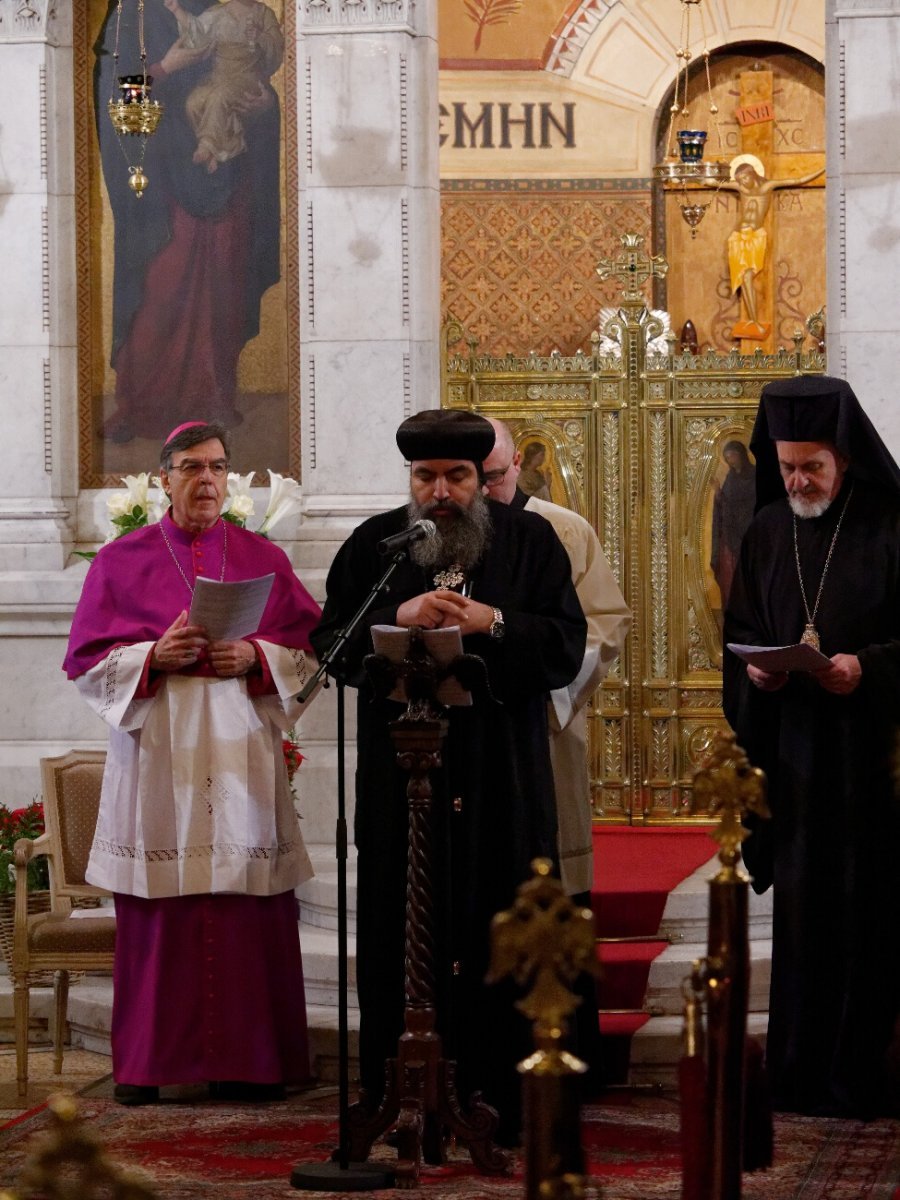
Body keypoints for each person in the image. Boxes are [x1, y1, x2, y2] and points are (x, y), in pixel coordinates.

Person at [311, 409, 586, 1143]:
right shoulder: (377, 546)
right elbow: (331, 646)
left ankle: (502, 1095)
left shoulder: (531, 543)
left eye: (457, 477)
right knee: (405, 933)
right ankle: (402, 1096)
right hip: (404, 786)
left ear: (481, 480)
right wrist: (397, 613)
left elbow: (564, 646)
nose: (441, 492)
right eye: (426, 477)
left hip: (502, 779)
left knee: (498, 924)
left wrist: (490, 622)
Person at [64, 420, 321, 1105]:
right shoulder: (121, 561)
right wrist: (154, 657)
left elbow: (316, 651)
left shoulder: (263, 555)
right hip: (160, 758)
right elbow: (85, 663)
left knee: (245, 904)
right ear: (166, 479)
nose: (206, 479)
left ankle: (252, 1063)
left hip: (239, 751)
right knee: (160, 912)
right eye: (191, 467)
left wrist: (257, 659)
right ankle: (149, 1066)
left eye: (217, 466)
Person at [722, 375, 900, 1118]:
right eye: (788, 465)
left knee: (868, 911)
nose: (798, 480)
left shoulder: (890, 526)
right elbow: (737, 634)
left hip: (874, 758)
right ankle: (797, 1073)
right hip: (794, 754)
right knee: (801, 917)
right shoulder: (767, 530)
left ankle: (861, 1077)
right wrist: (759, 674)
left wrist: (870, 668)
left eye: (812, 468)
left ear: (845, 460)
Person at [481, 417, 630, 1083]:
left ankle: (569, 1051)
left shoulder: (564, 531)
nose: (488, 489)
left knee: (554, 878)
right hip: (473, 736)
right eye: (472, 477)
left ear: (519, 464)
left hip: (544, 727)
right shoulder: (443, 534)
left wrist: (547, 683)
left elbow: (602, 624)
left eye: (497, 475)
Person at [94, 1, 282, 442]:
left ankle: (212, 399)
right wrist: (165, 66)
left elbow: (254, 78)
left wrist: (264, 104)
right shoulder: (133, 14)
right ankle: (141, 406)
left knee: (222, 290)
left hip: (225, 173)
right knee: (160, 288)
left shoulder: (223, 9)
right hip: (160, 180)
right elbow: (117, 98)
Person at [163, 0, 283, 173]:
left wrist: (260, 37)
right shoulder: (218, 12)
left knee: (219, 97)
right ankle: (218, 151)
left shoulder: (264, 14)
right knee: (194, 102)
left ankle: (206, 147)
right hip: (219, 77)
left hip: (247, 77)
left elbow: (277, 49)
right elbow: (197, 32)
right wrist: (177, 11)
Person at [721, 154, 824, 338]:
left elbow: (797, 180)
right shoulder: (740, 188)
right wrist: (690, 173)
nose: (742, 182)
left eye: (745, 177)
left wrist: (824, 169)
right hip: (738, 238)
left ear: (753, 174)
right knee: (744, 280)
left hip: (756, 238)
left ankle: (754, 321)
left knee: (747, 278)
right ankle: (753, 321)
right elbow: (713, 183)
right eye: (739, 179)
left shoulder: (767, 186)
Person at [710, 439, 756, 611]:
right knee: (728, 578)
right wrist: (718, 493)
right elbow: (725, 506)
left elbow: (753, 504)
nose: (731, 460)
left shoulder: (754, 476)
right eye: (727, 457)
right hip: (729, 538)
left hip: (747, 538)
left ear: (742, 455)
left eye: (733, 456)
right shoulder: (730, 478)